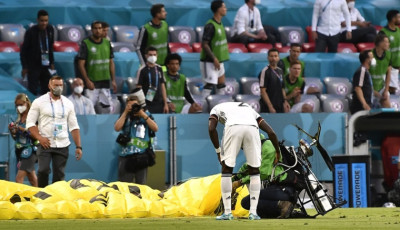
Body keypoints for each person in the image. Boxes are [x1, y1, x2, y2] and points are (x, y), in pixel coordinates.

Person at [208, 102, 281, 220]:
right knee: (254, 170)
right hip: (252, 129)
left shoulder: (216, 108)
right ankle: (253, 213)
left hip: (232, 127)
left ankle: (227, 212)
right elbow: (271, 132)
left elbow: (211, 129)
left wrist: (218, 151)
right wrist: (277, 151)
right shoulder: (249, 109)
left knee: (227, 169)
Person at [26, 76, 83, 188]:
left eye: (60, 85)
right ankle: (42, 194)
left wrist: (78, 147)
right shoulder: (39, 102)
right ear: (49, 86)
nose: (58, 87)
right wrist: (39, 138)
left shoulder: (68, 103)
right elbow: (30, 124)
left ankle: (55, 199)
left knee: (59, 175)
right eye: (56, 85)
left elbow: (74, 126)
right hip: (45, 142)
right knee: (43, 170)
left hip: (62, 143)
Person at [114, 93, 158, 184]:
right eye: (130, 105)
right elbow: (117, 128)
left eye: (135, 105)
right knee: (125, 187)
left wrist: (143, 114)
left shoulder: (145, 115)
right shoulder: (125, 116)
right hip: (126, 155)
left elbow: (155, 128)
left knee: (141, 187)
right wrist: (125, 112)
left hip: (142, 155)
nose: (133, 108)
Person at [77, 21, 117, 114]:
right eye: (95, 28)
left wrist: (113, 80)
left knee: (108, 110)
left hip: (105, 82)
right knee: (88, 111)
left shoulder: (107, 43)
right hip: (92, 83)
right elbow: (81, 64)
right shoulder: (86, 43)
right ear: (92, 30)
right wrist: (87, 81)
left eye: (100, 28)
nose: (98, 30)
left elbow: (111, 62)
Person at [20, 9, 55, 96]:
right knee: (33, 90)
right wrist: (25, 67)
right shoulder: (31, 32)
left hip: (46, 64)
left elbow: (50, 47)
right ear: (37, 20)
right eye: (42, 21)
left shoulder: (50, 29)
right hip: (33, 66)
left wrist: (52, 62)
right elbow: (23, 50)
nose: (44, 23)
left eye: (46, 20)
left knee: (47, 90)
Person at [200, 0, 229, 97]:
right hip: (209, 61)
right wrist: (214, 59)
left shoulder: (220, 24)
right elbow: (205, 44)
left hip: (219, 60)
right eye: (224, 7)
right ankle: (202, 108)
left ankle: (220, 108)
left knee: (221, 86)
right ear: (218, 9)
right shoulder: (210, 25)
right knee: (209, 86)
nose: (226, 9)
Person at [8, 93, 38, 186]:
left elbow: (36, 135)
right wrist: (12, 131)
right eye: (17, 105)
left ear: (27, 103)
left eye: (21, 105)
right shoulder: (18, 120)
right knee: (31, 177)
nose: (19, 107)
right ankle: (39, 195)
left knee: (19, 178)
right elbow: (16, 138)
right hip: (20, 151)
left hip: (30, 150)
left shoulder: (33, 117)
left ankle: (19, 198)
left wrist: (23, 129)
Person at [136, 46, 169, 113]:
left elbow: (163, 86)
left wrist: (165, 103)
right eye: (150, 55)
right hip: (147, 103)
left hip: (159, 103)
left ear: (157, 55)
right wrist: (141, 104)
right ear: (146, 56)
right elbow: (138, 88)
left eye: (154, 55)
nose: (152, 56)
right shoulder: (142, 70)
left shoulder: (159, 68)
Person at [259, 48, 290, 113]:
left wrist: (285, 101)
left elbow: (282, 88)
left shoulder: (280, 71)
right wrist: (270, 106)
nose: (273, 58)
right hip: (267, 107)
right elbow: (263, 91)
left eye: (275, 56)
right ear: (268, 58)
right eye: (271, 56)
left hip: (279, 105)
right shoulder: (265, 71)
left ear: (278, 57)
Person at [380, 9, 400, 94]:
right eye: (398, 17)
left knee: (395, 91)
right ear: (393, 19)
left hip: (397, 66)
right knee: (390, 91)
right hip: (388, 67)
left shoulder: (398, 30)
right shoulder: (383, 32)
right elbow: (380, 51)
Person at [369, 34, 391, 108]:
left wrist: (386, 90)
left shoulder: (388, 54)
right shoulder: (370, 55)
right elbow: (365, 75)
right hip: (369, 89)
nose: (389, 44)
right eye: (387, 42)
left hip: (381, 89)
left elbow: (388, 73)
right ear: (380, 43)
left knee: (388, 107)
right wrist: (373, 91)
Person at [350, 50, 373, 114]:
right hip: (360, 107)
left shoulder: (366, 71)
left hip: (367, 105)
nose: (373, 59)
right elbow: (358, 88)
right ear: (367, 60)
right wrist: (364, 104)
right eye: (372, 57)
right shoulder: (361, 71)